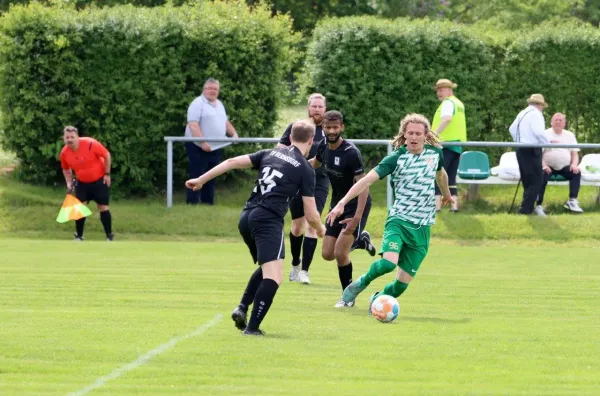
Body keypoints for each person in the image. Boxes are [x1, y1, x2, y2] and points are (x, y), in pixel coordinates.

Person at [186, 120, 325, 336]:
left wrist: (201, 180)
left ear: (289, 137)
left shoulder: (269, 154)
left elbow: (231, 161)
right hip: (268, 220)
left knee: (268, 266)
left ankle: (242, 307)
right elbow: (311, 213)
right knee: (274, 277)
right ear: (311, 141)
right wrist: (320, 229)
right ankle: (252, 328)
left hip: (246, 217)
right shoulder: (306, 168)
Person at [326, 114, 453, 312]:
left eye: (418, 133)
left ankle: (379, 299)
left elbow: (441, 174)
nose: (413, 137)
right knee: (387, 264)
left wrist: (446, 194)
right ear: (404, 134)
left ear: (425, 135)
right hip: (399, 220)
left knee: (401, 285)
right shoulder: (396, 158)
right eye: (410, 132)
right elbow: (366, 180)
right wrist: (342, 202)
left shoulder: (435, 153)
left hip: (422, 226)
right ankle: (355, 287)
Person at [310, 111, 376, 306]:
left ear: (341, 127)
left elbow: (363, 187)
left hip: (356, 206)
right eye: (328, 127)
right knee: (327, 254)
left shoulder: (351, 153)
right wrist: (294, 167)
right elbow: (314, 163)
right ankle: (361, 242)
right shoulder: (323, 146)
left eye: (335, 127)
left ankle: (348, 297)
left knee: (340, 253)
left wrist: (356, 218)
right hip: (336, 206)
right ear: (323, 128)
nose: (332, 131)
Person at [277, 93, 330, 285]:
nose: (317, 109)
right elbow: (280, 148)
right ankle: (295, 263)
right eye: (314, 106)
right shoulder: (297, 128)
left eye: (320, 106)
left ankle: (305, 271)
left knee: (312, 223)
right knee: (297, 226)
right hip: (297, 181)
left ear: (325, 109)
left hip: (320, 182)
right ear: (308, 108)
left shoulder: (328, 130)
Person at [184, 78, 239, 205]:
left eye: (215, 89)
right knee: (197, 173)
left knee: (212, 174)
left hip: (215, 146)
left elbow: (225, 122)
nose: (212, 91)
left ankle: (207, 202)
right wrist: (202, 142)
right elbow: (193, 125)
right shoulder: (197, 103)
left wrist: (234, 134)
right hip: (197, 146)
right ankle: (192, 202)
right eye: (210, 88)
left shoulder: (219, 104)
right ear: (204, 90)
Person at [59, 126, 114, 241]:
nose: (69, 140)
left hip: (100, 180)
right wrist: (69, 183)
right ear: (63, 138)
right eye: (67, 137)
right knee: (79, 208)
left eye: (72, 137)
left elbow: (106, 155)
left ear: (77, 137)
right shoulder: (64, 153)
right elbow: (66, 169)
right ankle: (79, 236)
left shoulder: (90, 144)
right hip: (82, 182)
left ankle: (109, 236)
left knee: (103, 207)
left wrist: (107, 174)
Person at [509, 94, 550, 216]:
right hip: (532, 149)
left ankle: (528, 207)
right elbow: (539, 132)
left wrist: (518, 141)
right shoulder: (536, 114)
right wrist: (547, 144)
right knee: (537, 180)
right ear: (540, 104)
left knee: (527, 180)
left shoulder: (522, 113)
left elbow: (511, 129)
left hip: (521, 148)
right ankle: (525, 209)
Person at [431, 78, 467, 212]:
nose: (438, 93)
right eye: (437, 91)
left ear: (449, 90)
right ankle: (454, 207)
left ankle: (437, 208)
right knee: (451, 177)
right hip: (456, 145)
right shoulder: (459, 103)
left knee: (439, 175)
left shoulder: (448, 103)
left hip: (445, 145)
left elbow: (446, 119)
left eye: (441, 90)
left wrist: (433, 134)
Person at [536, 113, 583, 213]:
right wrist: (543, 165)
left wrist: (574, 164)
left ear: (564, 123)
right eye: (556, 120)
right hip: (547, 166)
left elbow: (575, 154)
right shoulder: (545, 134)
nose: (558, 122)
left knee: (576, 172)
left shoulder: (570, 135)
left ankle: (572, 201)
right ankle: (538, 205)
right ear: (551, 122)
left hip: (564, 167)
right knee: (541, 174)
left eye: (560, 120)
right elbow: (538, 154)